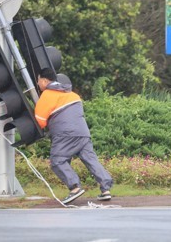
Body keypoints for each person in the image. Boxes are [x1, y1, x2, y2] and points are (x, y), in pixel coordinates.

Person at [35, 68, 113, 204]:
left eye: (38, 80)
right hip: (83, 133)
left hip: (65, 134)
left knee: (57, 160)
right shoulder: (73, 94)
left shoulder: (47, 95)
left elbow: (40, 121)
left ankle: (75, 187)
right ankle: (106, 189)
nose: (37, 83)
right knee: (90, 159)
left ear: (45, 80)